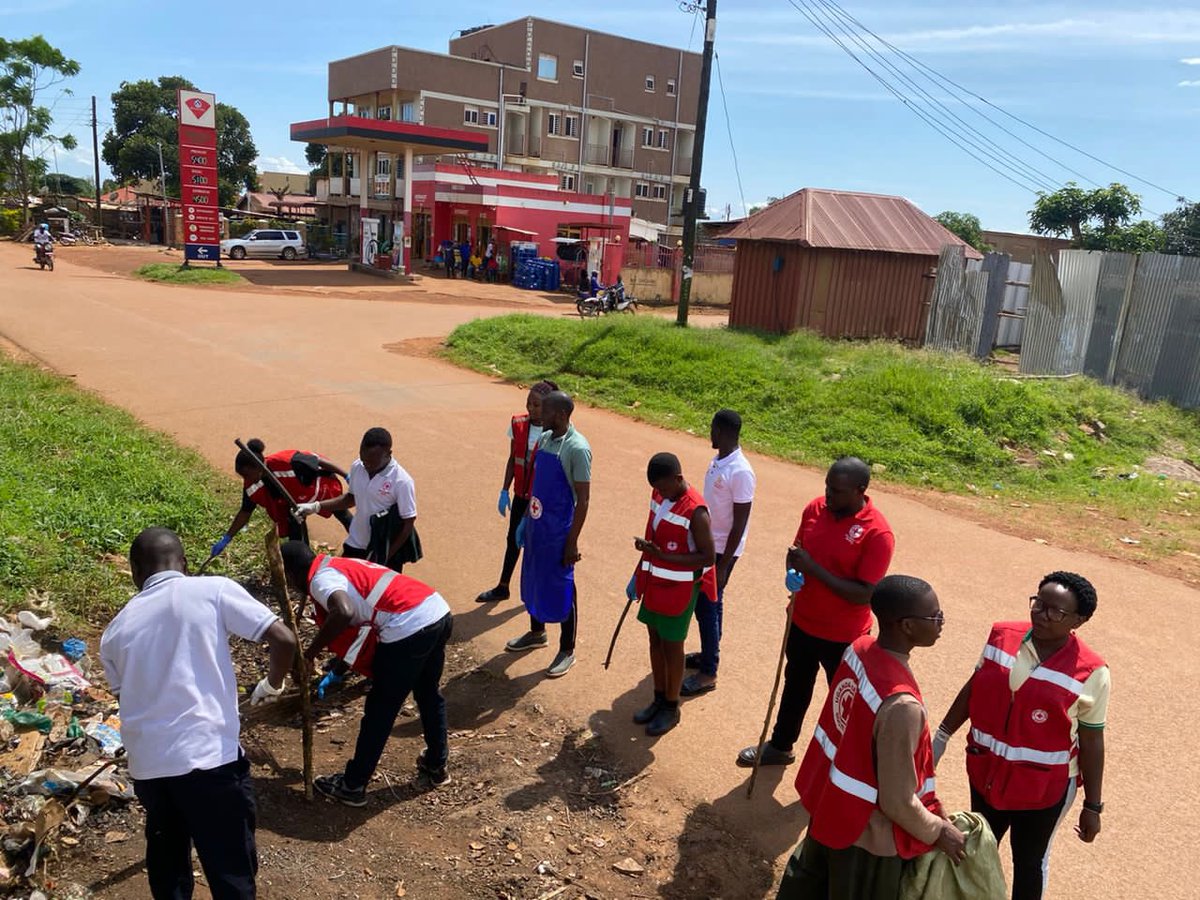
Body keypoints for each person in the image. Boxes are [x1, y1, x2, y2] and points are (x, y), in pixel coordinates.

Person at [100, 527, 297, 900]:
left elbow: (131, 697)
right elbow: (283, 639)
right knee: (230, 868)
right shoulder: (211, 589)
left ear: (135, 571)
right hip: (208, 762)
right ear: (185, 564)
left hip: (149, 769)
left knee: (168, 861)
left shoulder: (114, 632)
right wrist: (272, 684)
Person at [776, 574, 966, 900]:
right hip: (866, 836)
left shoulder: (859, 648)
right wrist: (938, 831)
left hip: (830, 806)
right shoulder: (902, 706)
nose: (941, 621)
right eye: (934, 616)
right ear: (906, 625)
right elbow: (896, 801)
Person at [932, 571, 1109, 900]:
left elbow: (1092, 741)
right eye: (1038, 604)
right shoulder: (1002, 635)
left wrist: (1093, 806)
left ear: (1079, 621)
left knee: (1029, 862)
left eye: (1055, 611)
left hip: (1044, 789)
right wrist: (942, 735)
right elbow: (975, 687)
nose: (1042, 615)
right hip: (986, 772)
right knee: (979, 848)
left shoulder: (1092, 671)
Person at [737, 457, 894, 768]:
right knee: (795, 684)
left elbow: (865, 594)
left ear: (860, 491)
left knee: (845, 701)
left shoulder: (877, 533)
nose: (828, 495)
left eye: (836, 491)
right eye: (826, 486)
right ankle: (781, 746)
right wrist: (792, 570)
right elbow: (797, 552)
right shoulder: (814, 509)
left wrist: (814, 570)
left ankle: (846, 763)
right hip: (802, 621)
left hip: (845, 637)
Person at [281, 541, 453, 807]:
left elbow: (344, 612)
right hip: (436, 611)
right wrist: (339, 668)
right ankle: (436, 765)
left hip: (408, 625)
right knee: (428, 693)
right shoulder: (334, 565)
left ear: (291, 575)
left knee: (381, 709)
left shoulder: (321, 580)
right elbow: (359, 626)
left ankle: (353, 784)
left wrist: (309, 654)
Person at [626, 452, 716, 736]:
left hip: (679, 589)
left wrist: (663, 556)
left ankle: (671, 706)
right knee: (654, 639)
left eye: (665, 488)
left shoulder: (696, 511)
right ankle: (658, 697)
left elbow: (707, 556)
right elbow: (655, 532)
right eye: (657, 489)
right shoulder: (659, 493)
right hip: (654, 580)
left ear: (678, 479)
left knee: (672, 646)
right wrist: (642, 566)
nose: (661, 494)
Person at [505, 390, 591, 678]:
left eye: (546, 411)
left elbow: (584, 499)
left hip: (559, 531)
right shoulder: (543, 440)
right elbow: (537, 486)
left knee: (563, 587)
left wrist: (572, 541)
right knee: (533, 577)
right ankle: (536, 632)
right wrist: (525, 520)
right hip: (537, 524)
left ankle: (567, 649)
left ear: (562, 415)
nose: (539, 415)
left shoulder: (577, 449)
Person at [683, 409, 755, 697]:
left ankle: (708, 672)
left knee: (707, 606)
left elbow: (741, 522)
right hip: (709, 546)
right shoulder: (720, 459)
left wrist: (724, 565)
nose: (709, 433)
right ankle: (708, 653)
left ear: (723, 431)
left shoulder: (740, 471)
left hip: (722, 551)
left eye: (712, 429)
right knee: (711, 605)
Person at [476, 380, 560, 603]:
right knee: (512, 540)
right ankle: (503, 587)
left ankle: (540, 591)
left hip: (541, 502)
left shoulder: (555, 433)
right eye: (528, 404)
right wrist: (504, 490)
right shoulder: (518, 424)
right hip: (521, 497)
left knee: (538, 546)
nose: (531, 409)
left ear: (549, 408)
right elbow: (513, 459)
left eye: (537, 405)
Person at [296, 427, 420, 572]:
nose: (366, 465)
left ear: (388, 454)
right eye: (363, 459)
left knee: (378, 593)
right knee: (339, 578)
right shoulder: (358, 467)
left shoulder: (402, 481)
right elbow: (351, 499)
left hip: (383, 550)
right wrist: (315, 506)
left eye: (372, 462)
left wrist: (386, 556)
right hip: (356, 542)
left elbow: (408, 522)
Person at [211, 438, 352, 560]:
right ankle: (304, 562)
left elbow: (319, 461)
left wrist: (346, 476)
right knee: (295, 532)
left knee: (342, 514)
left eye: (247, 475)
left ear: (258, 467)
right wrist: (227, 538)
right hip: (294, 503)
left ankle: (361, 546)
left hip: (318, 487)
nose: (245, 480)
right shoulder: (252, 485)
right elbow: (245, 512)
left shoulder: (286, 462)